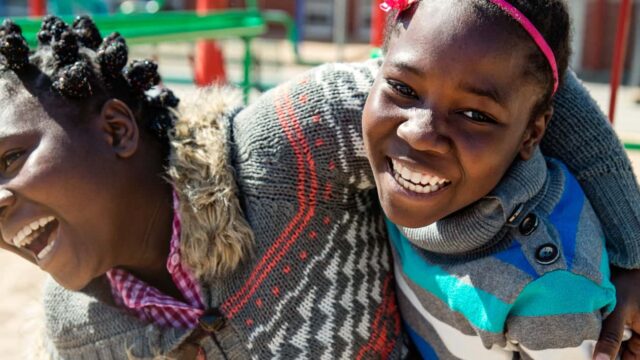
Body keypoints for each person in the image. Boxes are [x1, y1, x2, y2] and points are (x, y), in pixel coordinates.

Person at [0, 11, 638, 360]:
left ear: (115, 129)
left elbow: (506, 53)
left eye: (8, 161)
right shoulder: (76, 330)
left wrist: (632, 249)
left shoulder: (279, 150)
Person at [367, 0, 611, 357]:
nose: (419, 134)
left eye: (473, 114)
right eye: (403, 89)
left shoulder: (552, 292)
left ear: (531, 134)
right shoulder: (391, 174)